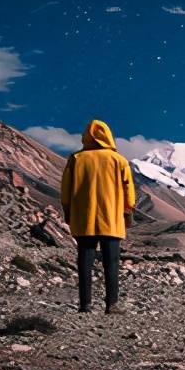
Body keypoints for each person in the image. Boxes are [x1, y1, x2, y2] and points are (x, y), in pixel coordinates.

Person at [60, 119, 136, 313]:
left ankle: (85, 305)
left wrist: (68, 212)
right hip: (111, 220)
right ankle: (112, 304)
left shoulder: (76, 159)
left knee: (85, 262)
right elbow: (129, 191)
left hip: (84, 220)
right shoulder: (118, 160)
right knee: (111, 263)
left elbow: (65, 190)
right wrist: (128, 211)